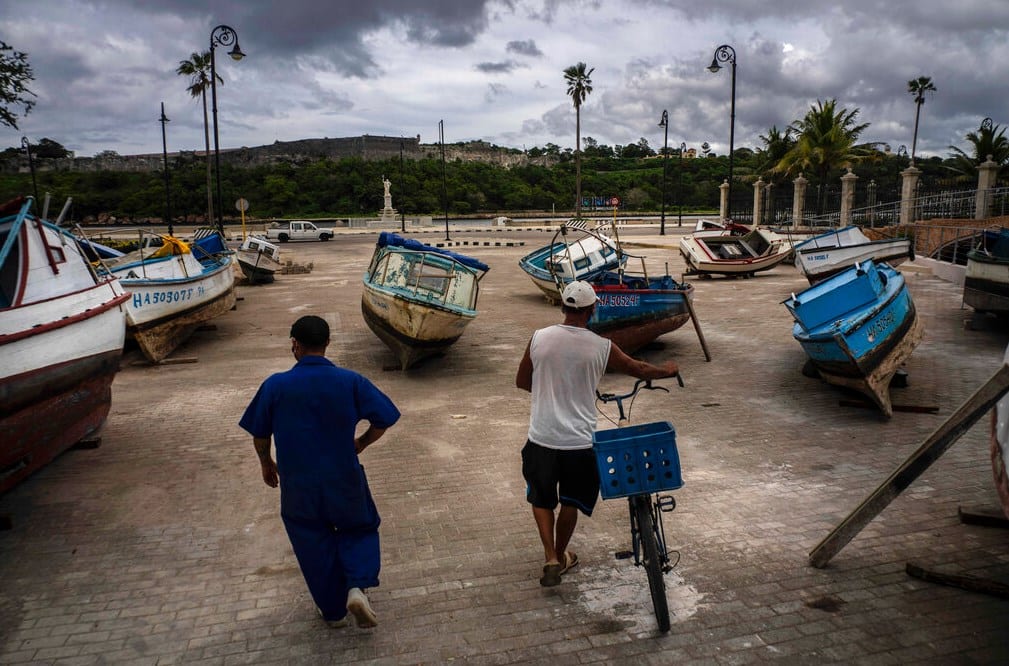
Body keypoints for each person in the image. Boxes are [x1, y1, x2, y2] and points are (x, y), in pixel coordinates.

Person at [239, 315, 401, 628]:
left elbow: (260, 433)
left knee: (311, 540)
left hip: (298, 483)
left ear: (294, 345)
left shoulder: (275, 385)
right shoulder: (350, 381)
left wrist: (265, 462)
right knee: (359, 527)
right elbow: (385, 418)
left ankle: (332, 611)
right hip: (344, 477)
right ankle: (356, 585)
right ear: (327, 344)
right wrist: (362, 443)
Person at [515, 280, 679, 587]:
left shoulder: (539, 338)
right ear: (592, 310)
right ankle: (563, 554)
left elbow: (523, 381)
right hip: (578, 442)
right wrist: (667, 370)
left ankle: (551, 556)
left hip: (542, 437)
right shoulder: (601, 346)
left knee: (541, 498)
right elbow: (639, 369)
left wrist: (550, 390)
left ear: (562, 307)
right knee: (571, 502)